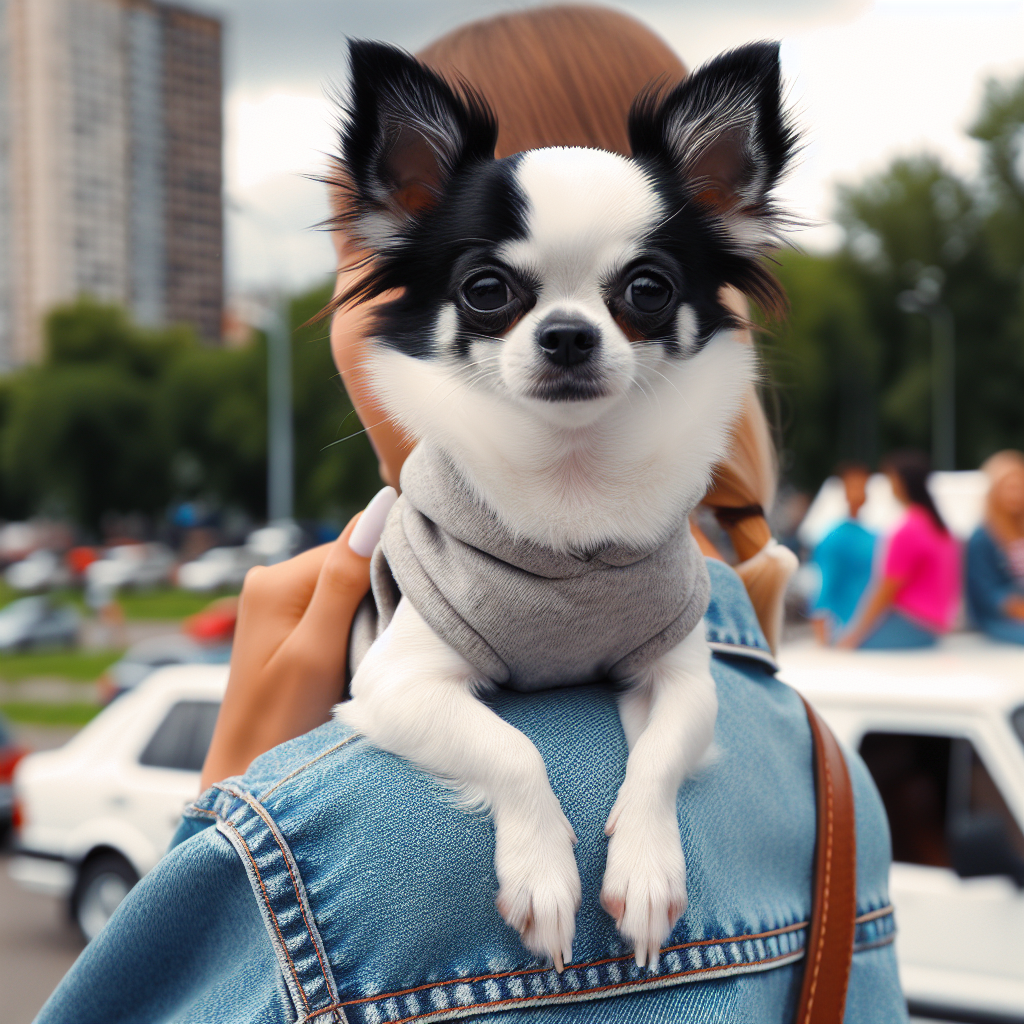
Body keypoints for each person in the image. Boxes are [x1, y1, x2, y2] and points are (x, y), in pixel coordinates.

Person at [36, 9, 905, 1022]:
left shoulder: (332, 832)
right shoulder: (829, 770)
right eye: (493, 289)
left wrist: (240, 808)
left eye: (349, 279)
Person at [839, 450, 959, 650]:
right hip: (936, 625)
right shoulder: (939, 526)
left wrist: (853, 635)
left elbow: (885, 589)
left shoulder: (909, 528)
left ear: (901, 482)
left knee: (839, 637)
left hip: (912, 623)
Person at [809, 462, 876, 644]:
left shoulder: (874, 537)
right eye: (853, 485)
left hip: (870, 626)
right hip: (844, 630)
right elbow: (824, 586)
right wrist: (822, 638)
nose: (858, 492)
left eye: (862, 485)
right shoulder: (832, 538)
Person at [966, 450, 1024, 644]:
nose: (1015, 494)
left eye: (1019, 487)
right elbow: (986, 592)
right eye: (1009, 487)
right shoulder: (983, 537)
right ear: (995, 491)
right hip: (1000, 615)